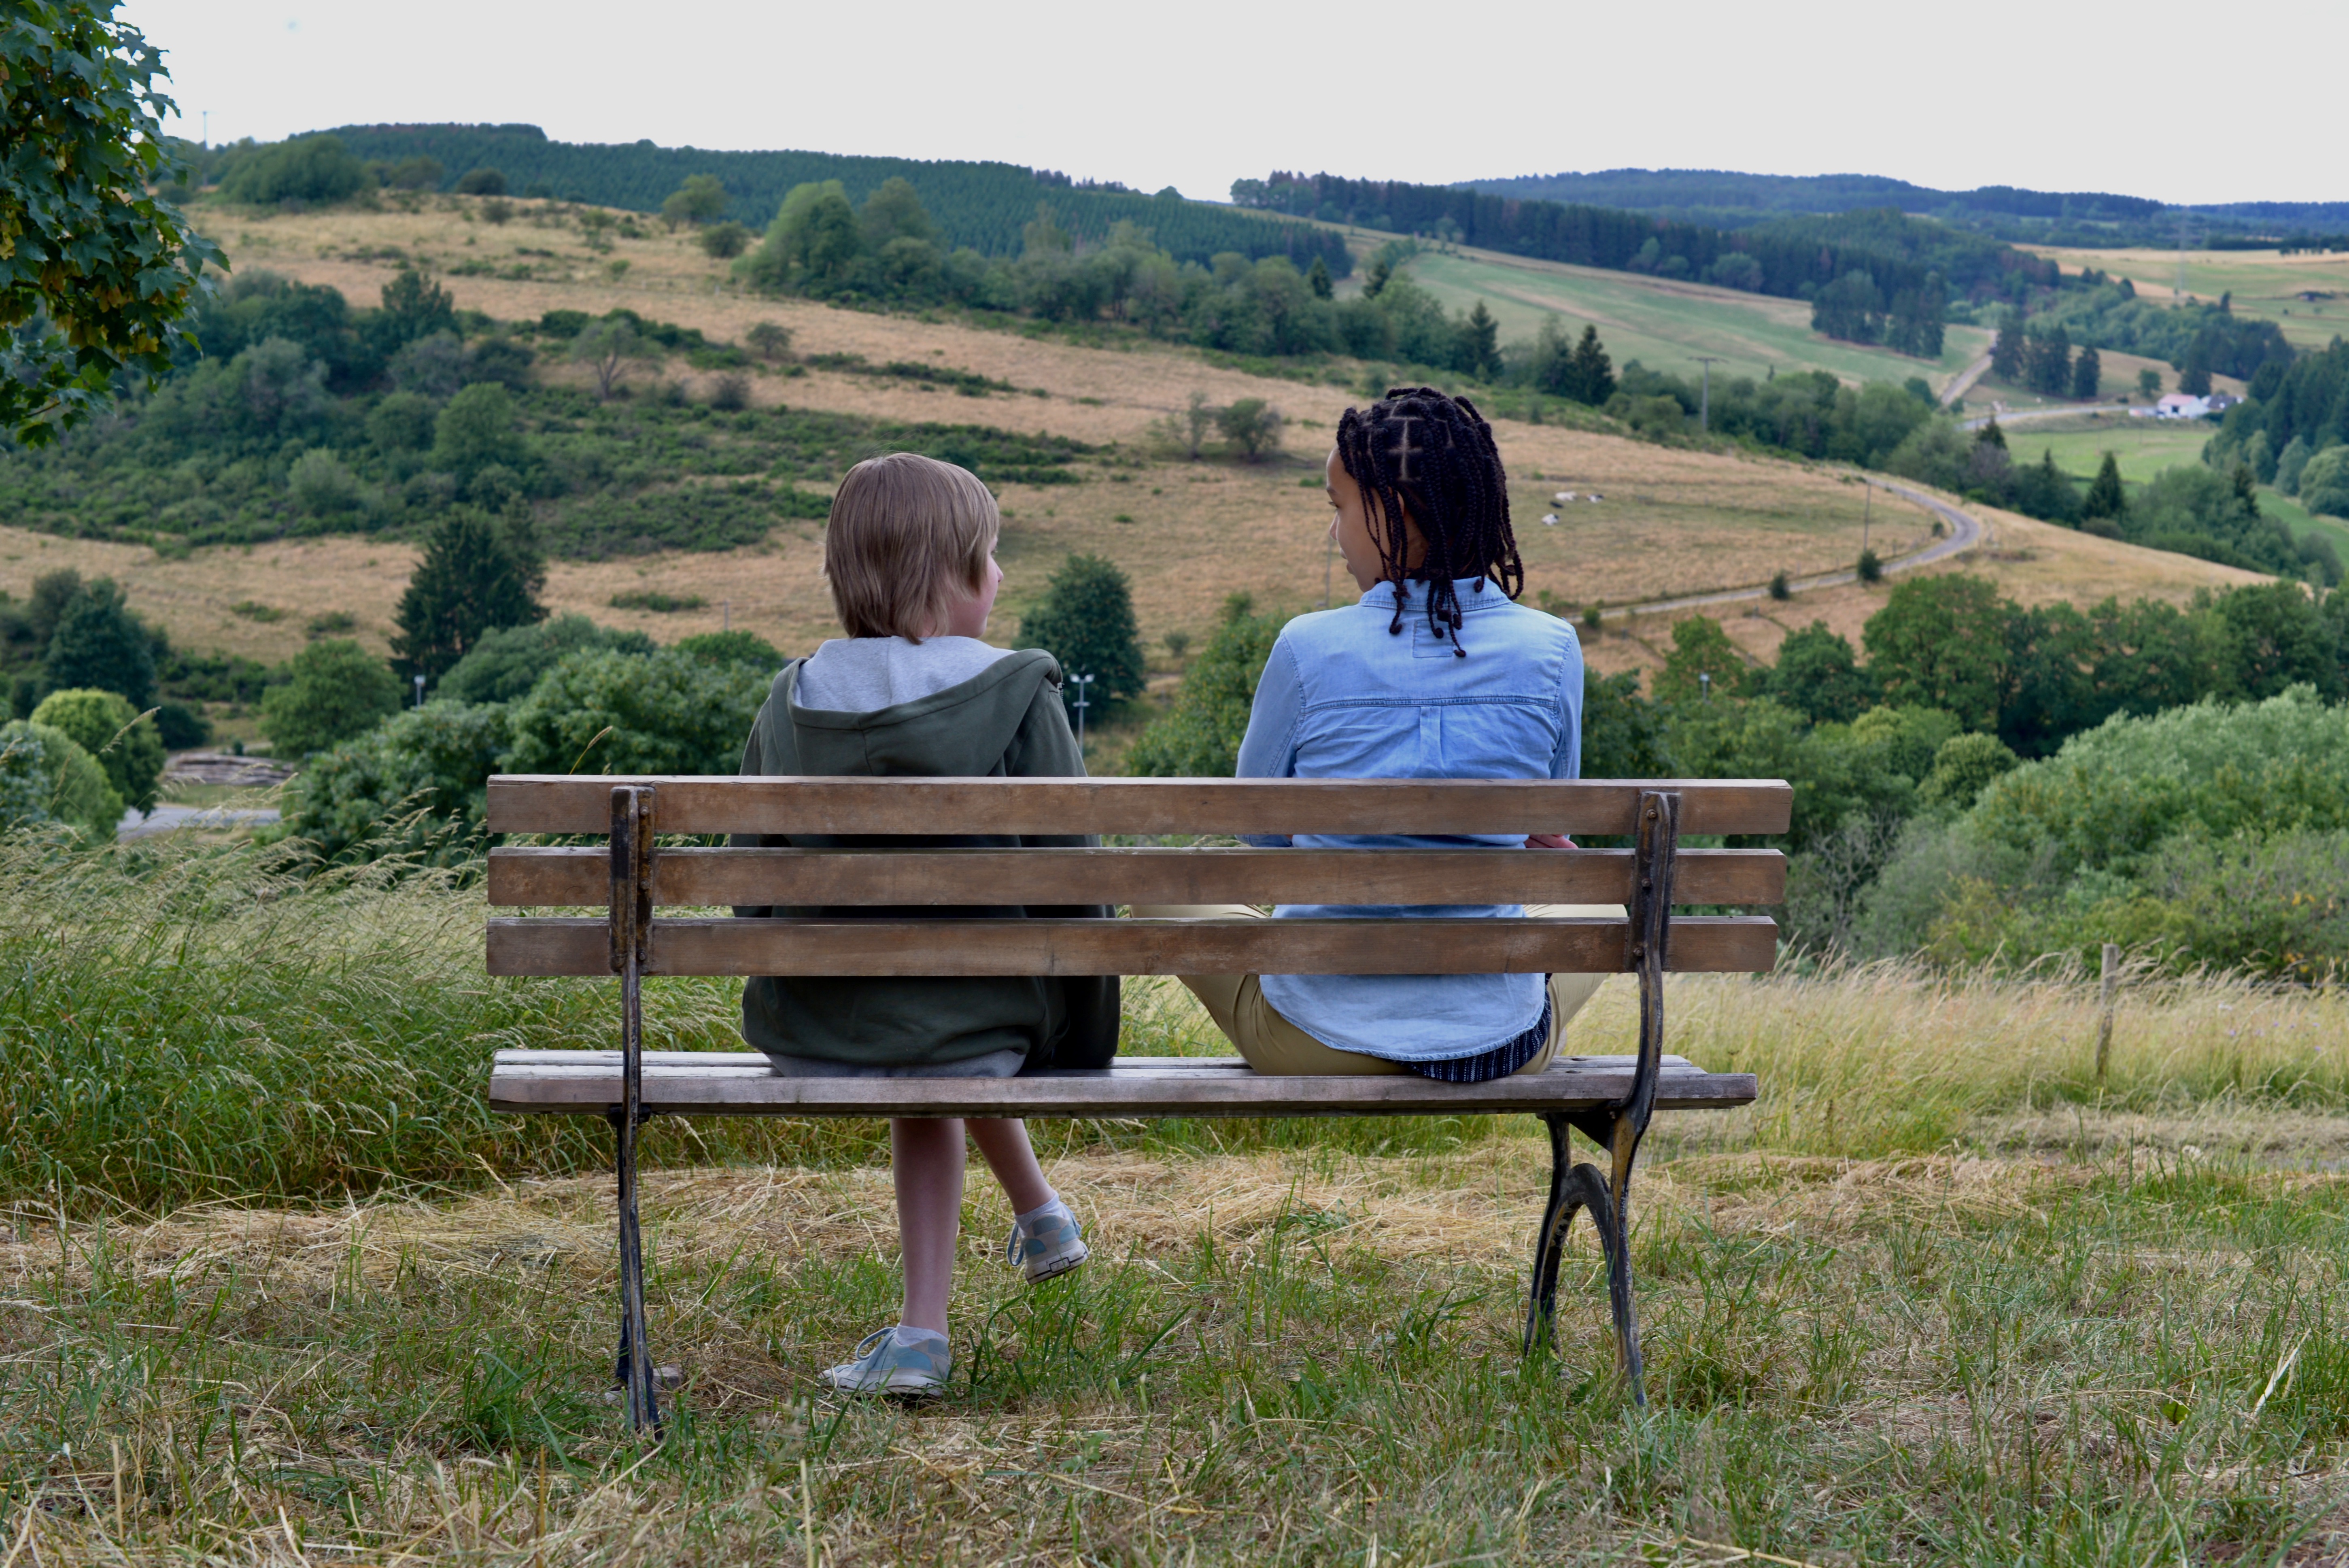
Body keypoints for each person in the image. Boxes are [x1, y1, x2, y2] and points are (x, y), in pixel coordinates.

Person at [732, 453, 1117, 1396]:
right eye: (990, 555)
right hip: (981, 1029)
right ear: (948, 578)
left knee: (929, 1013)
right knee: (951, 1019)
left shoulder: (791, 698)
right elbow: (1079, 879)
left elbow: (747, 891)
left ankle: (1032, 1225)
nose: (1002, 575)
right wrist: (1081, 1034)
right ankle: (928, 1325)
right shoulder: (1022, 689)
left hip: (812, 1030)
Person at [1134, 387, 1618, 1077]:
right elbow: (1551, 824)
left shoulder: (1305, 647)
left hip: (1311, 1039)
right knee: (1604, 898)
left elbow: (1258, 828)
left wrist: (1342, 841)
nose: (1333, 534)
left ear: (1390, 511)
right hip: (1502, 1045)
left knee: (1158, 883)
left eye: (1339, 508)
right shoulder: (1553, 649)